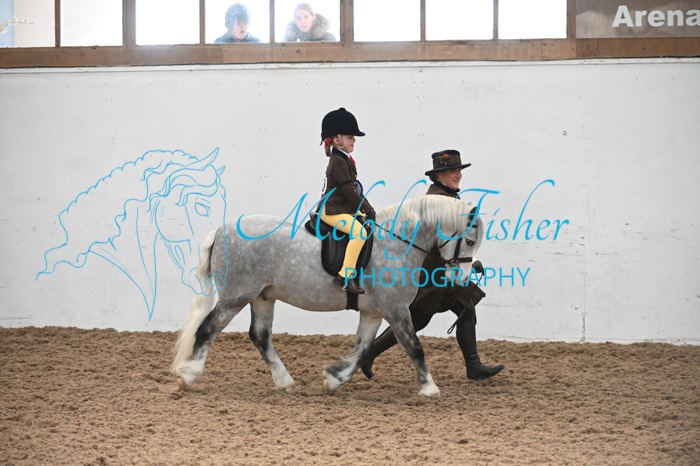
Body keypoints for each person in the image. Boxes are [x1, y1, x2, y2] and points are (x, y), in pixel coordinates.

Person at [360, 150, 505, 381]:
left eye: (459, 170)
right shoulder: (437, 201)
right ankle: (368, 353)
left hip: (443, 271)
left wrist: (468, 263)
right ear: (439, 176)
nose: (458, 174)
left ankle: (473, 366)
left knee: (465, 307)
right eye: (452, 171)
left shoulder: (449, 199)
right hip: (432, 272)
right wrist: (462, 264)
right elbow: (440, 242)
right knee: (417, 319)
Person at [319, 108, 376, 295]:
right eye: (350, 137)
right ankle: (345, 275)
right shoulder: (338, 161)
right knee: (359, 232)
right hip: (331, 210)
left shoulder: (344, 159)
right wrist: (366, 209)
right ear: (336, 140)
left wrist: (367, 208)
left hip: (341, 207)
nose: (354, 140)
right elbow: (348, 191)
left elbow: (354, 188)